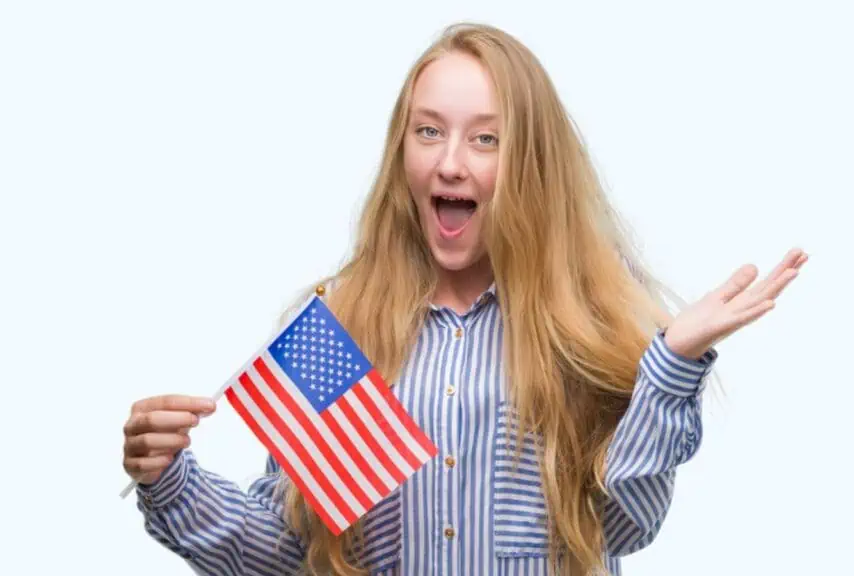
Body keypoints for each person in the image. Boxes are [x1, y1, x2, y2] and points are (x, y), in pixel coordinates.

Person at [121, 22, 807, 576]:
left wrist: (672, 364)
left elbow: (625, 526)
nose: (451, 162)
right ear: (403, 155)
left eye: (486, 139)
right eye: (429, 131)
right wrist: (170, 481)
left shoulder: (582, 330)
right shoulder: (338, 330)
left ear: (530, 165)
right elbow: (286, 554)